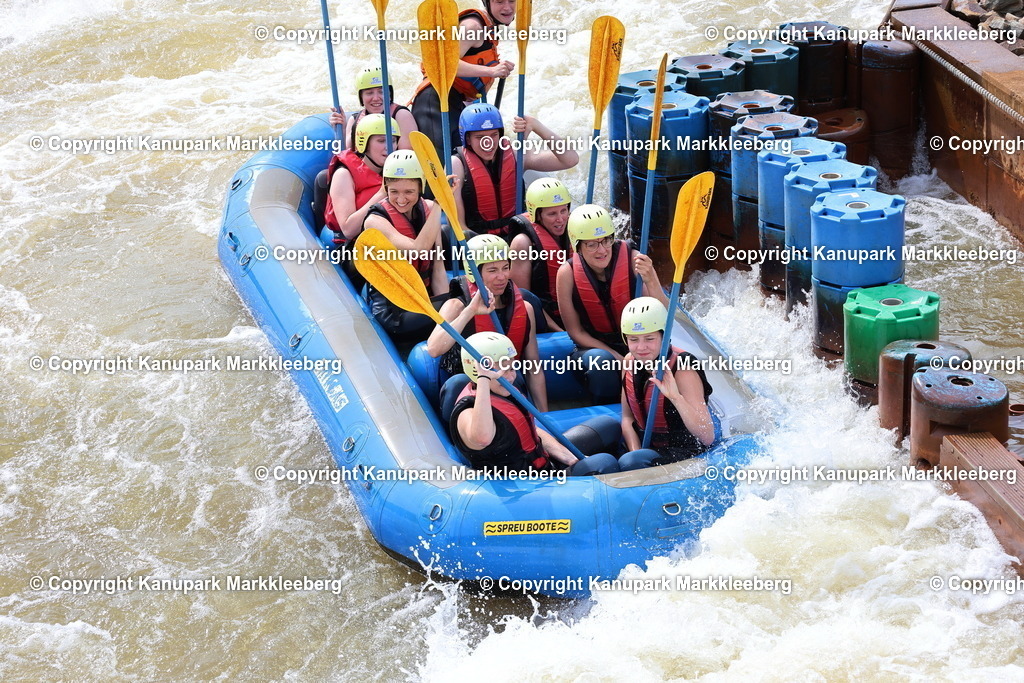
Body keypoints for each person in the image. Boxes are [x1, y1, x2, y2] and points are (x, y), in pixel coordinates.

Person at [450, 332, 621, 476]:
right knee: (603, 463)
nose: (510, 377)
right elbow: (483, 438)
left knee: (609, 425)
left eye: (512, 368)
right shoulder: (468, 411)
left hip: (542, 465)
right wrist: (484, 379)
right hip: (527, 488)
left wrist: (570, 458)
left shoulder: (505, 390)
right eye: (503, 371)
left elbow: (533, 431)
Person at [555, 205, 668, 402]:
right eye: (591, 244)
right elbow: (575, 332)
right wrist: (616, 357)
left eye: (606, 240)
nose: (602, 250)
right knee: (602, 361)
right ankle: (610, 406)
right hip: (593, 350)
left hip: (636, 342)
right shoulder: (567, 273)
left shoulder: (634, 260)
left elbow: (664, 315)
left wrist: (651, 280)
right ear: (577, 246)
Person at [427, 234, 548, 412]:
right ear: (474, 272)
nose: (501, 277)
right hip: (468, 392)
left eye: (505, 268)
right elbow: (434, 349)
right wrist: (470, 311)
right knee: (457, 383)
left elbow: (533, 369)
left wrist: (543, 416)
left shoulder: (525, 308)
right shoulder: (456, 306)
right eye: (492, 270)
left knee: (517, 378)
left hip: (503, 383)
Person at [452, 103, 579, 239]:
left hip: (517, 235)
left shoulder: (516, 154)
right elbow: (460, 225)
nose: (488, 142)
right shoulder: (457, 164)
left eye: (494, 135)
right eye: (480, 137)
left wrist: (535, 125)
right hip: (479, 238)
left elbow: (570, 159)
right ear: (468, 139)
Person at [616, 297, 716, 470]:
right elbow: (627, 418)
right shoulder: (628, 362)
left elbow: (707, 436)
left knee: (632, 462)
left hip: (684, 450)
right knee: (608, 434)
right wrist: (636, 450)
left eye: (649, 339)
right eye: (633, 339)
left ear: (664, 336)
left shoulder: (683, 368)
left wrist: (675, 397)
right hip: (647, 449)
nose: (641, 347)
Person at [409, 0, 516, 159]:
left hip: (455, 104)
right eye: (499, 1)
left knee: (462, 164)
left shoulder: (488, 29)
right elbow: (443, 63)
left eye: (512, 1)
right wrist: (491, 70)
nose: (507, 7)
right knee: (441, 166)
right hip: (435, 103)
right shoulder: (472, 27)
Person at [363, 150, 448, 340]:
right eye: (394, 192)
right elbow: (418, 250)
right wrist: (439, 204)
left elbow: (438, 269)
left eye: (409, 192)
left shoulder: (428, 208)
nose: (401, 199)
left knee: (458, 299)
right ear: (386, 188)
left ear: (420, 187)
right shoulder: (375, 221)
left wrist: (444, 301)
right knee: (458, 304)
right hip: (396, 314)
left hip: (422, 299)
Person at [323, 114, 400, 245]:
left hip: (390, 238)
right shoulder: (344, 174)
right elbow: (348, 230)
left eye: (392, 140)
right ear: (364, 143)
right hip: (352, 246)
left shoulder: (398, 168)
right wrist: (382, 192)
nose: (389, 147)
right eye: (381, 141)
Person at [509, 177, 572, 331]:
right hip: (542, 315)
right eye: (552, 214)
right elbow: (523, 298)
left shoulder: (578, 231)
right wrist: (560, 331)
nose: (560, 219)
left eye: (563, 211)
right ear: (537, 215)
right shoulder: (522, 244)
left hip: (572, 311)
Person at [328, 67, 418, 152]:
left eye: (381, 92)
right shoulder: (354, 120)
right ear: (361, 98)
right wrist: (342, 128)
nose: (375, 98)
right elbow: (347, 153)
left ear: (390, 95)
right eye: (369, 93)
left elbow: (406, 156)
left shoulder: (401, 116)